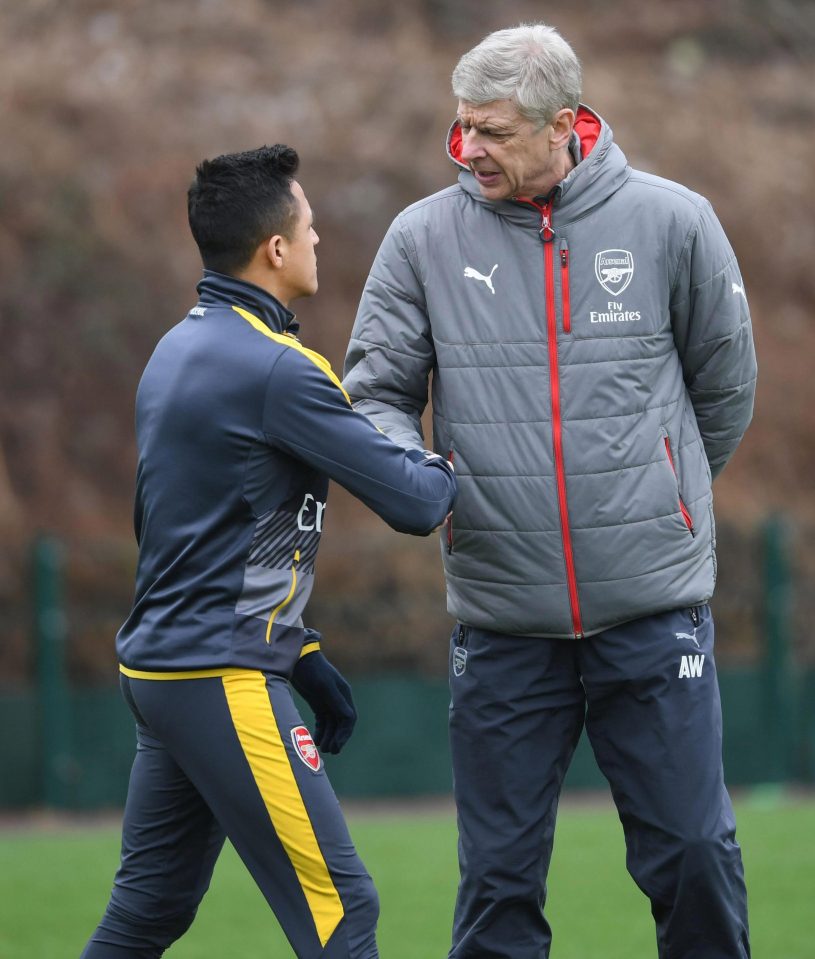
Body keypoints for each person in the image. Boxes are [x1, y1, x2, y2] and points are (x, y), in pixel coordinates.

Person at [343, 23, 756, 959]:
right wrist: (416, 481)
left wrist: (663, 499)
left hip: (653, 614)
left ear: (563, 124)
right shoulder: (419, 239)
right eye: (459, 128)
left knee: (693, 853)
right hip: (500, 621)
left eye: (490, 131)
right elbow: (374, 394)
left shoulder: (673, 220)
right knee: (497, 886)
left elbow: (724, 389)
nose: (467, 150)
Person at [80, 144, 456, 959]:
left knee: (146, 914)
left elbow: (188, 534)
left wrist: (302, 648)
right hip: (220, 675)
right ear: (275, 249)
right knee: (343, 913)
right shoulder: (278, 369)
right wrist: (453, 459)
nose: (320, 241)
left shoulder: (174, 350)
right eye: (311, 227)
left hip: (162, 674)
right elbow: (415, 502)